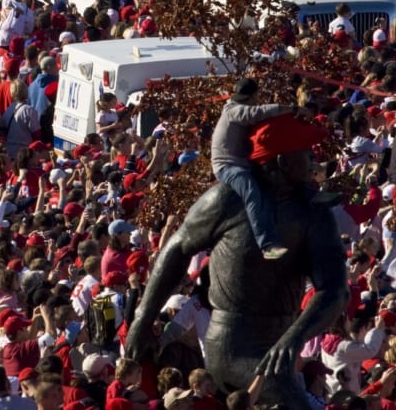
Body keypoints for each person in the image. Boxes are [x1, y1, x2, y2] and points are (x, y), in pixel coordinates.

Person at [127, 112, 348, 407]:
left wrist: (295, 338)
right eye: (305, 153)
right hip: (232, 344)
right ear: (281, 161)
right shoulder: (228, 199)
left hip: (281, 339)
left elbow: (334, 289)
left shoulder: (313, 212)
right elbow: (177, 249)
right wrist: (143, 318)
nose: (313, 161)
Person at [209, 79, 302, 259]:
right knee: (251, 191)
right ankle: (267, 245)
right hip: (228, 167)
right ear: (252, 96)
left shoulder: (235, 109)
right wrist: (293, 108)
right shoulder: (234, 111)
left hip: (243, 163)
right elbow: (256, 113)